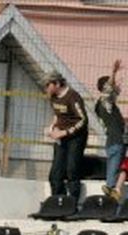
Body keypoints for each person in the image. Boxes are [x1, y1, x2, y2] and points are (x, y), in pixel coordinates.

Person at [42, 71, 89, 203]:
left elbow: (83, 120)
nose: (46, 88)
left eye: (48, 85)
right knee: (55, 173)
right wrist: (52, 127)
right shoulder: (53, 97)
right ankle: (58, 201)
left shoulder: (73, 97)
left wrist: (64, 132)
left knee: (71, 170)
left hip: (76, 137)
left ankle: (73, 203)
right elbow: (58, 115)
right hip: (60, 137)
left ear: (57, 84)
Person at [95, 61, 125, 200]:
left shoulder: (102, 105)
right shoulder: (105, 101)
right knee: (112, 177)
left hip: (113, 141)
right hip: (116, 141)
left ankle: (112, 194)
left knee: (116, 171)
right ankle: (110, 198)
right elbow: (108, 91)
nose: (116, 87)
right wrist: (113, 72)